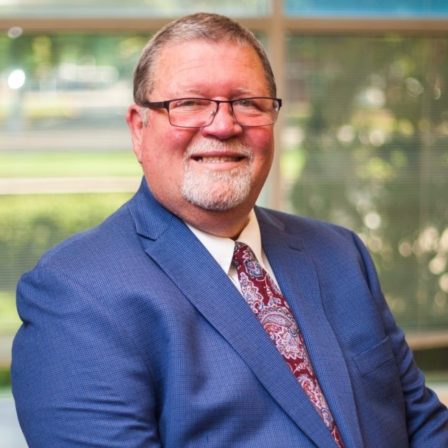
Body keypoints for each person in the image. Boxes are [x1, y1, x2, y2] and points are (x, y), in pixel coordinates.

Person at [11, 12, 448, 448]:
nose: (223, 125)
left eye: (247, 102)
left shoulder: (340, 253)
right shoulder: (76, 294)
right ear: (139, 128)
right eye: (190, 103)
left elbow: (423, 426)